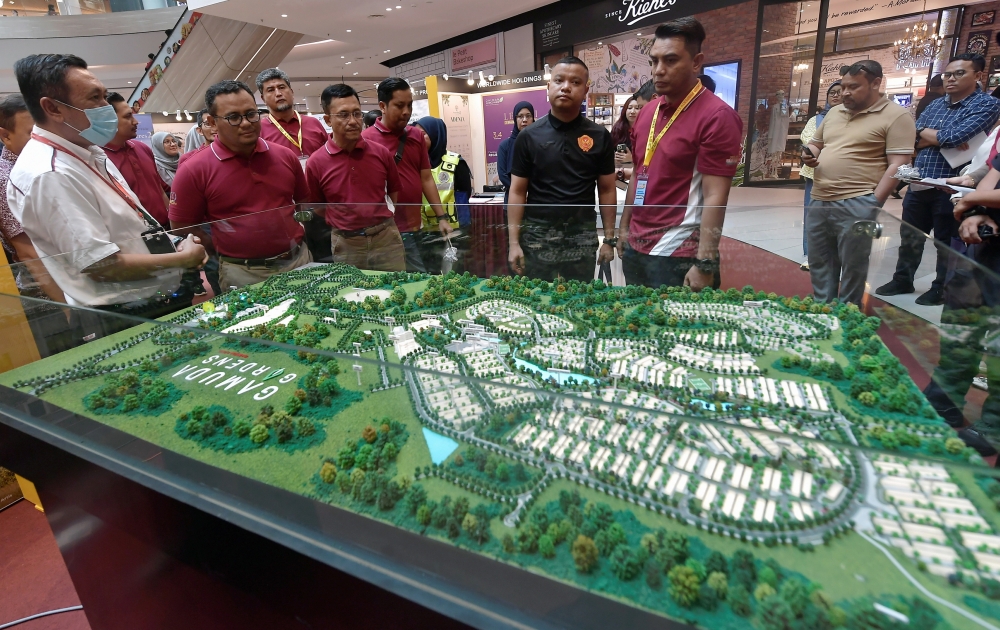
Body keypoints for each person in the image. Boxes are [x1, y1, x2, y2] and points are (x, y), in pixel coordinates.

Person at [8, 54, 205, 318]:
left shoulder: (87, 152)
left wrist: (176, 242)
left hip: (154, 297)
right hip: (121, 314)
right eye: (95, 99)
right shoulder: (49, 173)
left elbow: (127, 229)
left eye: (104, 96)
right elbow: (101, 265)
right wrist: (183, 259)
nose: (106, 108)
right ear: (53, 109)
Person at [616, 18, 743, 291]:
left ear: (696, 62)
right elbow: (639, 173)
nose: (658, 71)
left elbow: (715, 196)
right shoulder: (647, 111)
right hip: (636, 246)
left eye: (670, 60)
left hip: (679, 252)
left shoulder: (717, 117)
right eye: (654, 61)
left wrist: (705, 263)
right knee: (637, 327)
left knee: (678, 333)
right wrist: (624, 228)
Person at [876, 54, 1000, 305]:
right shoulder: (934, 104)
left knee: (946, 240)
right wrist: (933, 135)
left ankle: (941, 287)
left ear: (977, 76)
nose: (951, 79)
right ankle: (902, 278)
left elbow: (956, 137)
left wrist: (932, 135)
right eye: (947, 74)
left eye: (959, 73)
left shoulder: (986, 104)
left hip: (953, 185)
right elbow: (914, 138)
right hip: (921, 180)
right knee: (910, 236)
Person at [169, 80, 310, 291]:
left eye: (251, 114)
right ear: (212, 122)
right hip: (244, 273)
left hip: (299, 260)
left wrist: (298, 228)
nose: (246, 123)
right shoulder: (194, 169)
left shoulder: (284, 156)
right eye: (233, 117)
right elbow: (181, 226)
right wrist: (215, 244)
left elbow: (303, 201)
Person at [802, 60, 916, 305]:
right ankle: (823, 307)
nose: (845, 93)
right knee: (819, 260)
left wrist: (873, 202)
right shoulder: (834, 112)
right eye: (843, 87)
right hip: (820, 198)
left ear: (876, 83)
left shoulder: (896, 116)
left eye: (853, 87)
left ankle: (848, 313)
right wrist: (809, 152)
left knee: (853, 263)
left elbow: (900, 164)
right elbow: (817, 143)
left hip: (858, 201)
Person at [507, 56, 617, 282]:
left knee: (577, 301)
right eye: (559, 80)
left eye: (575, 82)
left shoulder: (600, 136)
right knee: (538, 298)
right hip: (538, 233)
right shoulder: (528, 137)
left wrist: (608, 239)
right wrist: (514, 243)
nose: (566, 87)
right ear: (549, 87)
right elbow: (518, 191)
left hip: (581, 233)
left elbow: (606, 189)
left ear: (586, 89)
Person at [305, 84, 404, 272]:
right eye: (343, 115)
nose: (353, 121)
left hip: (386, 238)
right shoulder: (316, 162)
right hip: (347, 243)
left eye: (357, 113)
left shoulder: (381, 153)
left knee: (396, 289)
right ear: (327, 120)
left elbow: (394, 191)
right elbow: (319, 207)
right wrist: (346, 221)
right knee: (353, 295)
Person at [362, 77, 452, 272]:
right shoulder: (366, 140)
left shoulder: (416, 136)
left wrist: (441, 217)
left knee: (420, 275)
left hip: (416, 225)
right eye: (399, 105)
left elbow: (426, 178)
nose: (406, 112)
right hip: (386, 228)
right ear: (382, 106)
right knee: (412, 277)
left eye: (409, 105)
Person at [0, 93, 65, 304]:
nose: (43, 138)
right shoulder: (6, 178)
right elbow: (28, 252)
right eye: (32, 132)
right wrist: (69, 310)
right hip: (49, 290)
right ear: (5, 136)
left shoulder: (44, 162)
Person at [413, 116, 473, 273]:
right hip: (423, 231)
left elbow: (463, 196)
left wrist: (462, 230)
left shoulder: (455, 163)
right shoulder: (412, 163)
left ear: (435, 135)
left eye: (423, 134)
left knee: (452, 273)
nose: (417, 138)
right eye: (415, 134)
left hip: (451, 231)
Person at [102, 92, 170, 225]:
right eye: (128, 116)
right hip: (139, 236)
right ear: (109, 121)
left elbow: (159, 190)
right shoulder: (100, 159)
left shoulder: (142, 148)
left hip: (166, 227)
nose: (136, 121)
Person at [798, 81, 842, 271]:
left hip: (842, 177)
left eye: (840, 92)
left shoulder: (855, 119)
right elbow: (809, 141)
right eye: (832, 92)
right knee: (812, 216)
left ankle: (838, 255)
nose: (835, 95)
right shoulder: (816, 120)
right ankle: (811, 255)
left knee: (839, 217)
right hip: (815, 174)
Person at [256, 67, 328, 162]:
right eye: (270, 90)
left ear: (292, 92)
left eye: (281, 87)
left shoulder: (313, 123)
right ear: (263, 99)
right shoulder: (259, 130)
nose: (278, 93)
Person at [496, 101, 534, 204]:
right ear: (515, 119)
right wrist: (521, 191)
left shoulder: (540, 143)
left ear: (533, 118)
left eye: (528, 116)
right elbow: (503, 175)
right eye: (520, 116)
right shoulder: (505, 146)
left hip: (536, 199)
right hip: (512, 200)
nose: (524, 120)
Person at [611, 96, 640, 167]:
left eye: (637, 108)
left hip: (636, 171)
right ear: (625, 110)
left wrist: (632, 159)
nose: (632, 111)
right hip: (618, 169)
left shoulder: (646, 130)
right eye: (629, 108)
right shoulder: (617, 129)